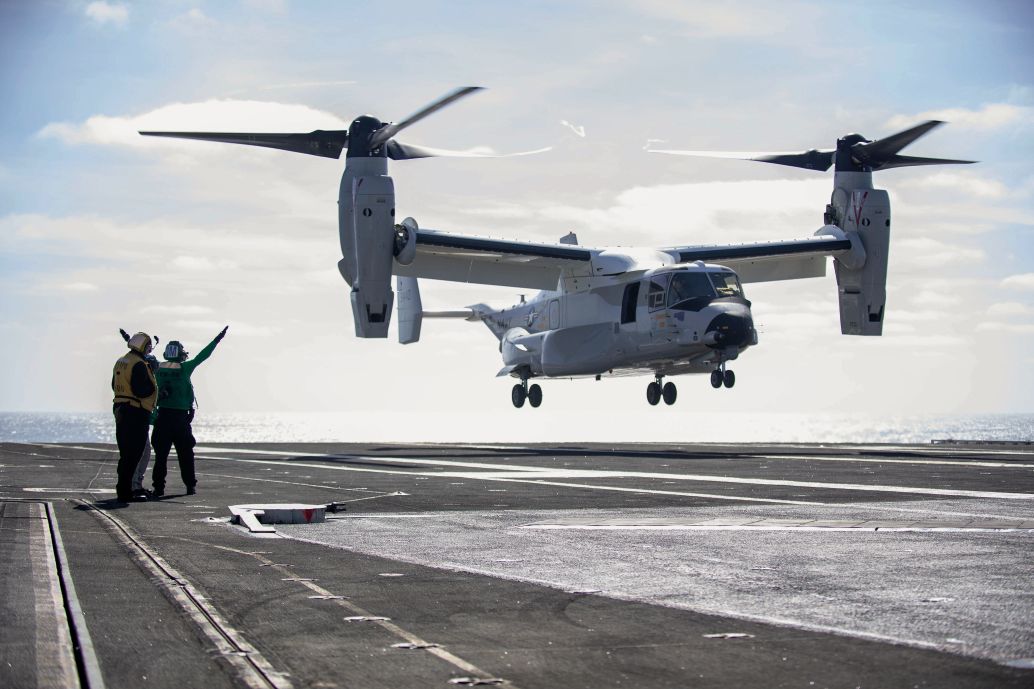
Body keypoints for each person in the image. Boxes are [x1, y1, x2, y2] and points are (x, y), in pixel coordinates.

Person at [151, 326, 228, 497]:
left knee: (160, 456)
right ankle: (190, 486)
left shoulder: (157, 368)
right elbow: (203, 355)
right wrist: (217, 339)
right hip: (180, 419)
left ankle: (158, 488)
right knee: (185, 455)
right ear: (180, 354)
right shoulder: (185, 368)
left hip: (162, 417)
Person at [111, 332, 158, 503]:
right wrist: (153, 387)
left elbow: (113, 384)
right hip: (136, 411)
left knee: (126, 454)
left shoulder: (122, 361)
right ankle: (127, 491)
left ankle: (124, 489)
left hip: (120, 408)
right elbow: (141, 389)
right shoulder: (139, 364)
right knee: (135, 453)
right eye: (148, 346)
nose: (149, 349)